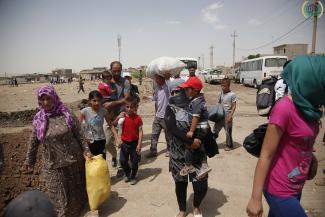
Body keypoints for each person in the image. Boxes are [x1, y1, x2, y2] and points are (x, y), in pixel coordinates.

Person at [246, 55, 325, 217]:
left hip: (297, 186)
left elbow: (302, 142)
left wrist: (312, 159)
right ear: (312, 82)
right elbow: (266, 155)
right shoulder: (285, 108)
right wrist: (255, 198)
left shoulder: (311, 109)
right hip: (279, 189)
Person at [23, 85, 92, 217]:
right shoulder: (39, 119)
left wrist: (86, 150)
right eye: (42, 99)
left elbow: (79, 133)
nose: (46, 102)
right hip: (53, 165)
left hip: (74, 161)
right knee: (60, 199)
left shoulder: (66, 113)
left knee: (77, 195)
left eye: (48, 99)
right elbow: (33, 141)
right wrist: (29, 160)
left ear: (54, 98)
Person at [166, 89, 208, 217]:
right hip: (178, 153)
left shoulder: (197, 105)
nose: (176, 94)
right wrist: (190, 141)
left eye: (179, 91)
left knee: (201, 185)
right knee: (180, 183)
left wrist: (199, 139)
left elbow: (206, 125)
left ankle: (196, 206)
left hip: (197, 152)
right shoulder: (170, 108)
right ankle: (183, 209)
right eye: (173, 91)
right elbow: (172, 128)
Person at [178, 76, 212, 179]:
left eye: (187, 89)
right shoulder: (197, 100)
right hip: (203, 128)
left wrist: (191, 131)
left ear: (195, 90)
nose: (185, 91)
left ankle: (189, 165)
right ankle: (202, 165)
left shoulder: (197, 102)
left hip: (200, 128)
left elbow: (195, 117)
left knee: (190, 144)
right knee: (200, 146)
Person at [103, 61, 130, 169]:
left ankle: (120, 166)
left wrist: (113, 103)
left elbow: (126, 99)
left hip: (121, 114)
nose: (117, 73)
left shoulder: (126, 82)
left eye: (119, 70)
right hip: (108, 116)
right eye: (115, 71)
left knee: (120, 141)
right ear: (110, 70)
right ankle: (114, 156)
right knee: (107, 142)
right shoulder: (106, 82)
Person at [112, 96, 143, 185]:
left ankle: (133, 176)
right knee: (122, 160)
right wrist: (118, 117)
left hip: (134, 143)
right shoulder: (122, 118)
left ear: (135, 107)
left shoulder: (138, 118)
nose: (129, 109)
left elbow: (140, 131)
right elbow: (113, 125)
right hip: (124, 143)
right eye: (127, 107)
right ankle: (128, 173)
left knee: (135, 162)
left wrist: (139, 144)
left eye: (131, 107)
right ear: (124, 107)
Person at [145, 74, 172, 158]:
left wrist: (167, 79)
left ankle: (169, 150)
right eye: (156, 79)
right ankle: (153, 151)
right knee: (154, 134)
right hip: (158, 116)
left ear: (162, 79)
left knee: (168, 135)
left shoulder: (167, 88)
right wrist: (148, 97)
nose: (156, 81)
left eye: (158, 79)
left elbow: (169, 86)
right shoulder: (157, 88)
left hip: (166, 116)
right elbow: (155, 98)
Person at [80, 90, 111, 159]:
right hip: (89, 141)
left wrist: (117, 137)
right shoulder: (84, 111)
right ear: (89, 101)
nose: (97, 103)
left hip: (101, 140)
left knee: (102, 160)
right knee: (91, 160)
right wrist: (84, 138)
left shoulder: (104, 111)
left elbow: (110, 125)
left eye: (99, 100)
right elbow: (79, 127)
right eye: (94, 100)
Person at [214, 78, 237, 151]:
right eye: (222, 86)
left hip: (227, 115)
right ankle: (212, 143)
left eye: (224, 86)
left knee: (228, 131)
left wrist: (230, 116)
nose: (223, 87)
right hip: (220, 114)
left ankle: (229, 145)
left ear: (229, 86)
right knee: (215, 129)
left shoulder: (232, 94)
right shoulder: (221, 93)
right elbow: (219, 102)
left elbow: (234, 106)